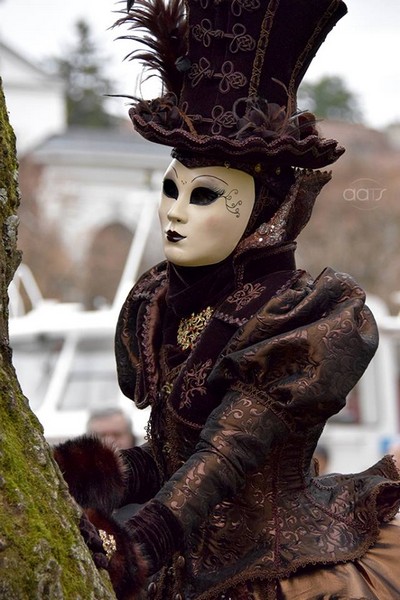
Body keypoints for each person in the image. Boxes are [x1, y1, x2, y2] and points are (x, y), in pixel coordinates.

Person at [53, 0, 400, 598]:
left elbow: (224, 457)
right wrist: (86, 476)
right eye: (171, 187)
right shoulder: (161, 303)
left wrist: (143, 543)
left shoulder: (300, 316)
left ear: (261, 209)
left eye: (206, 195)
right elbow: (172, 455)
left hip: (286, 576)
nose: (176, 212)